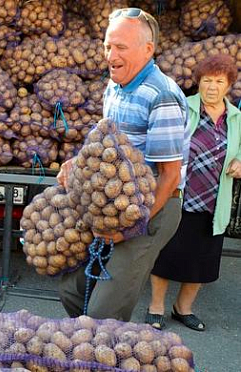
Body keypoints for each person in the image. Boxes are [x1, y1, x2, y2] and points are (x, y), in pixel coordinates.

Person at [56, 8, 190, 321]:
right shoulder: (115, 87)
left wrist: (130, 227)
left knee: (104, 312)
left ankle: (105, 351)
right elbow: (105, 145)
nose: (111, 55)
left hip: (152, 209)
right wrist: (77, 162)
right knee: (72, 290)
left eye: (121, 47)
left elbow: (169, 176)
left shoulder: (162, 96)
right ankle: (93, 344)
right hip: (111, 206)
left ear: (148, 49)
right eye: (107, 46)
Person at [146, 54, 241, 331]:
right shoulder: (182, 107)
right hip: (180, 195)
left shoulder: (236, 118)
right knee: (167, 254)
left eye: (219, 81)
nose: (212, 87)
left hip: (215, 200)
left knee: (203, 260)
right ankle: (156, 307)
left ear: (229, 85)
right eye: (207, 80)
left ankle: (183, 309)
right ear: (198, 82)